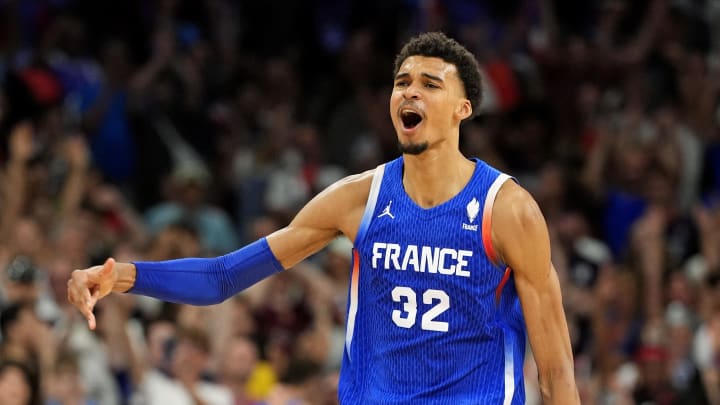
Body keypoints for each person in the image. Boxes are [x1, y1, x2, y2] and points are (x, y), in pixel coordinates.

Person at [67, 32, 579, 403]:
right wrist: (124, 277)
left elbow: (556, 372)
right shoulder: (357, 199)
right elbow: (225, 277)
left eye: (430, 84)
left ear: (463, 109)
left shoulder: (508, 209)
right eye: (401, 83)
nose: (410, 92)